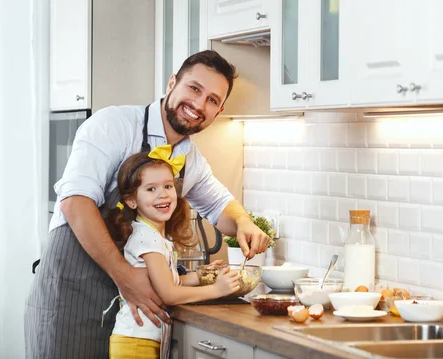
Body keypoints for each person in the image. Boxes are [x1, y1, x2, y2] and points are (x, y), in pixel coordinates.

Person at [24, 50, 271, 359]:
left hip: (131, 321)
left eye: (211, 100)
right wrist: (126, 277)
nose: (198, 104)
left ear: (219, 111)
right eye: (194, 89)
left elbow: (222, 206)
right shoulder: (115, 124)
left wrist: (245, 224)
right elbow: (75, 203)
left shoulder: (189, 159)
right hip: (72, 299)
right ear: (172, 83)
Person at [105, 148, 240, 358]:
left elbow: (165, 283)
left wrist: (201, 276)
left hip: (139, 340)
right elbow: (168, 293)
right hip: (135, 344)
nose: (163, 194)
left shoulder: (154, 235)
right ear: (132, 201)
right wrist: (217, 290)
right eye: (151, 189)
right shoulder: (147, 239)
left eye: (168, 186)